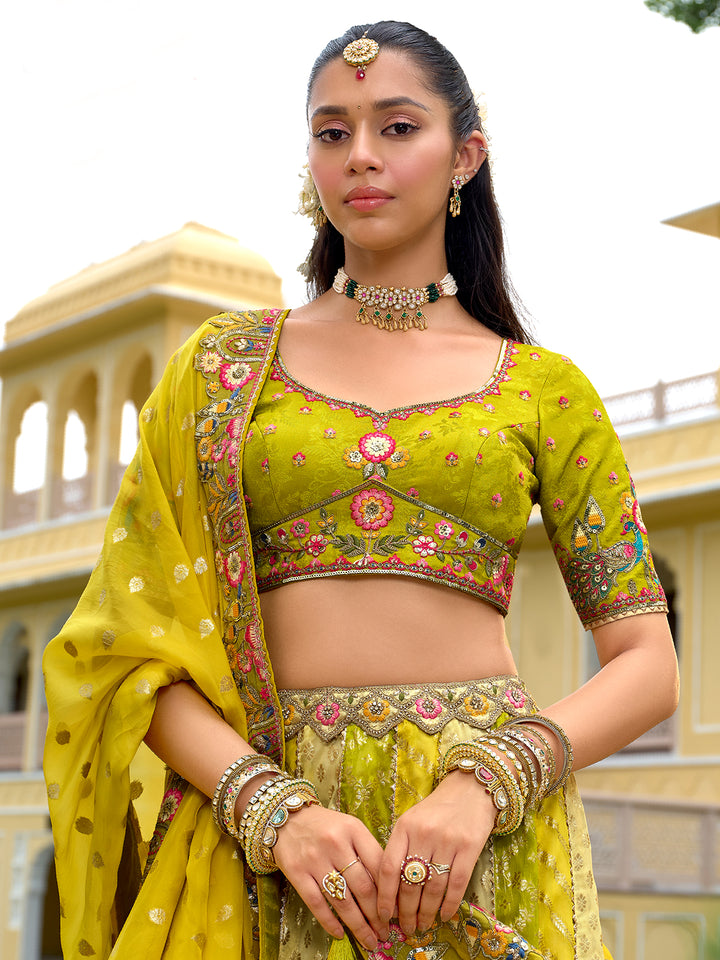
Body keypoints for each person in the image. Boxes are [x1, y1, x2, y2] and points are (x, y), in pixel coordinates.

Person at [43, 20, 679, 960]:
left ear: (464, 155)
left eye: (397, 127)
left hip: (480, 833)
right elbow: (128, 653)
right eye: (332, 132)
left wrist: (486, 785)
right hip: (264, 840)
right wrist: (269, 805)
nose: (362, 158)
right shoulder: (219, 371)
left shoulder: (547, 390)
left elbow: (645, 662)